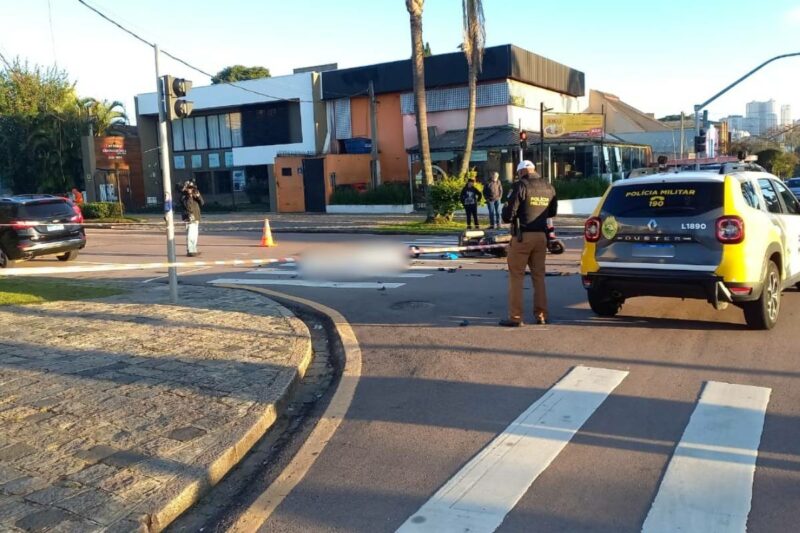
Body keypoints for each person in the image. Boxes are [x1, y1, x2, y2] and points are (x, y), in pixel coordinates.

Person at [499, 160, 558, 326]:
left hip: (522, 237)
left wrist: (506, 209)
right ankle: (541, 315)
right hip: (541, 237)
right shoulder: (548, 186)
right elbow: (552, 212)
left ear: (521, 172)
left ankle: (516, 317)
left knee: (516, 277)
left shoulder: (520, 186)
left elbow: (508, 215)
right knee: (539, 277)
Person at [179, 180, 204, 257]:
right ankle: (190, 250)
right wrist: (189, 195)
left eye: (192, 188)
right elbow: (187, 206)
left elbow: (202, 203)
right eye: (189, 188)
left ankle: (194, 250)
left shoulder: (194, 195)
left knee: (195, 235)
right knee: (191, 235)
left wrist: (198, 196)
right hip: (189, 218)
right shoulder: (184, 196)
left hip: (196, 217)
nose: (191, 189)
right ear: (186, 188)